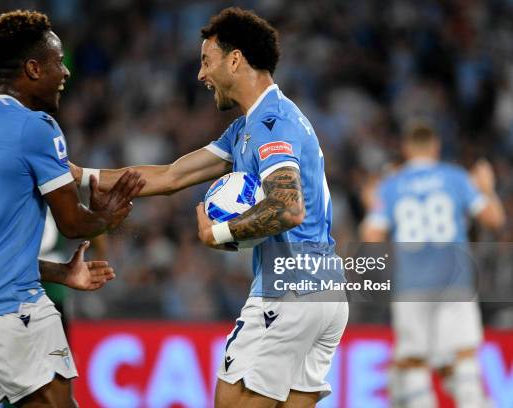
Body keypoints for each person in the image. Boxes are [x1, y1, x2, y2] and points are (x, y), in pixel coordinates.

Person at [72, 7, 347, 408]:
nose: (200, 75)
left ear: (234, 59)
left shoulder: (272, 122)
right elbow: (170, 176)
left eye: (206, 61)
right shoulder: (247, 128)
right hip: (325, 293)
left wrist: (219, 232)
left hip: (288, 295)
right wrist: (81, 175)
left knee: (230, 400)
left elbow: (288, 208)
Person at [0, 10, 144, 408]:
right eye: (57, 62)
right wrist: (108, 217)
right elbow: (71, 223)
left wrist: (62, 272)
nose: (65, 72)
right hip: (6, 303)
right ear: (32, 68)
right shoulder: (36, 126)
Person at [360, 123, 505, 408]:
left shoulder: (392, 185)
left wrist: (371, 203)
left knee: (414, 361)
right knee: (462, 356)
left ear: (406, 149)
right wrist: (488, 190)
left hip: (411, 284)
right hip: (455, 280)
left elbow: (371, 236)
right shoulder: (455, 178)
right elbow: (494, 220)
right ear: (435, 146)